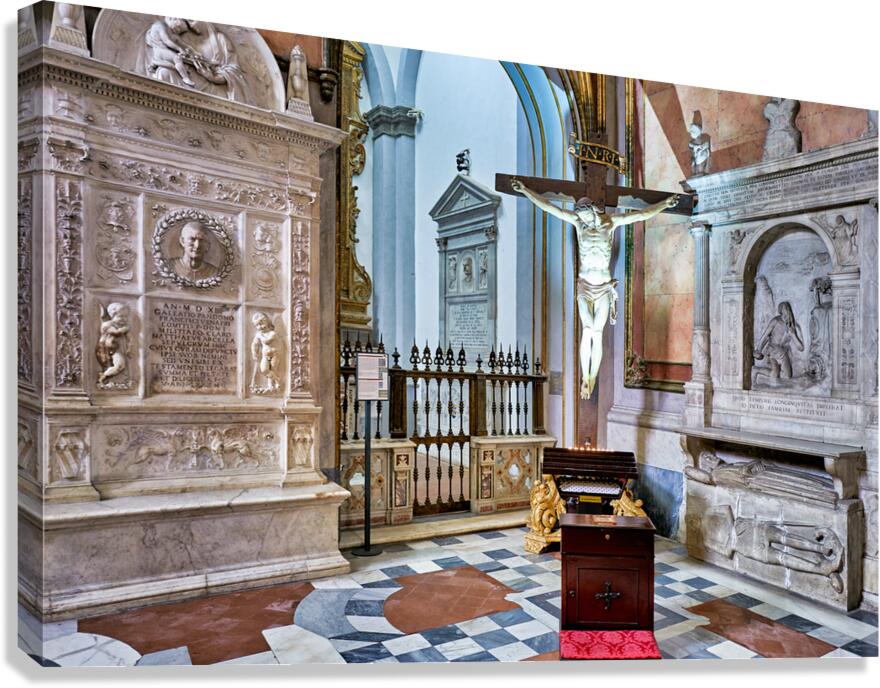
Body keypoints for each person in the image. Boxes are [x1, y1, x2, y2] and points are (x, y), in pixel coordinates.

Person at [510, 178, 678, 399]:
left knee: (597, 333)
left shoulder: (611, 222)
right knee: (587, 328)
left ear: (592, 210)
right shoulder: (579, 223)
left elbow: (640, 215)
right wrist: (526, 191)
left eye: (585, 216)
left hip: (604, 287)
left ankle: (591, 377)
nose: (583, 220)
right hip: (584, 286)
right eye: (580, 217)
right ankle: (584, 377)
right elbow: (549, 207)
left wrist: (665, 204)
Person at [754, 301, 803, 379]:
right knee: (775, 374)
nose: (787, 314)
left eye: (788, 310)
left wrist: (793, 335)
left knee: (787, 376)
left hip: (783, 353)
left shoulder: (794, 327)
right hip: (773, 351)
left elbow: (801, 348)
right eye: (784, 311)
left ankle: (758, 370)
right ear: (781, 312)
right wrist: (758, 350)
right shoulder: (776, 321)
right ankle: (756, 370)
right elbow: (765, 336)